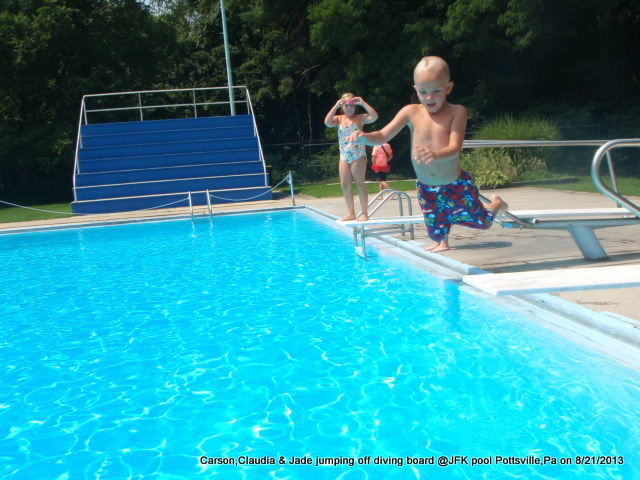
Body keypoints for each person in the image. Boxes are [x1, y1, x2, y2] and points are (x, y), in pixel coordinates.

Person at [347, 56, 506, 252]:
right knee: (436, 226)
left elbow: (455, 147)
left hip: (453, 183)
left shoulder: (457, 112)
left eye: (436, 91)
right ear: (416, 89)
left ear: (448, 88)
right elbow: (382, 135)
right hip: (426, 186)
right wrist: (364, 137)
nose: (429, 97)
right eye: (423, 92)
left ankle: (496, 203)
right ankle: (442, 241)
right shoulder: (410, 112)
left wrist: (436, 154)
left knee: (482, 222)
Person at [324, 93, 379, 221]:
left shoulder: (360, 118)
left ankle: (364, 213)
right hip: (344, 156)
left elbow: (375, 117)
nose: (349, 108)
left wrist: (363, 102)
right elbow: (327, 122)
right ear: (342, 107)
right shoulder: (339, 119)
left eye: (351, 106)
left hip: (358, 155)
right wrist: (335, 106)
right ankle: (351, 213)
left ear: (355, 106)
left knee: (359, 184)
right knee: (345, 185)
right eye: (346, 106)